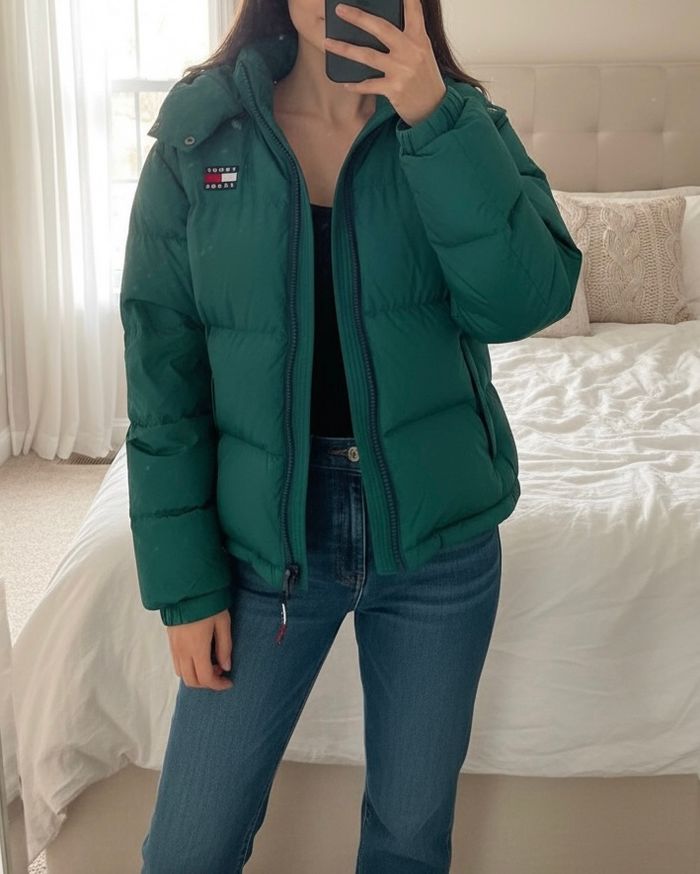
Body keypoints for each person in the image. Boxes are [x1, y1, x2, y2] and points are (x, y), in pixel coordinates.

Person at [119, 0, 582, 871]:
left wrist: (433, 118)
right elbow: (162, 374)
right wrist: (184, 585)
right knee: (188, 847)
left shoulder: (458, 123)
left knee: (409, 841)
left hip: (438, 541)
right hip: (265, 542)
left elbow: (526, 302)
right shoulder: (202, 134)